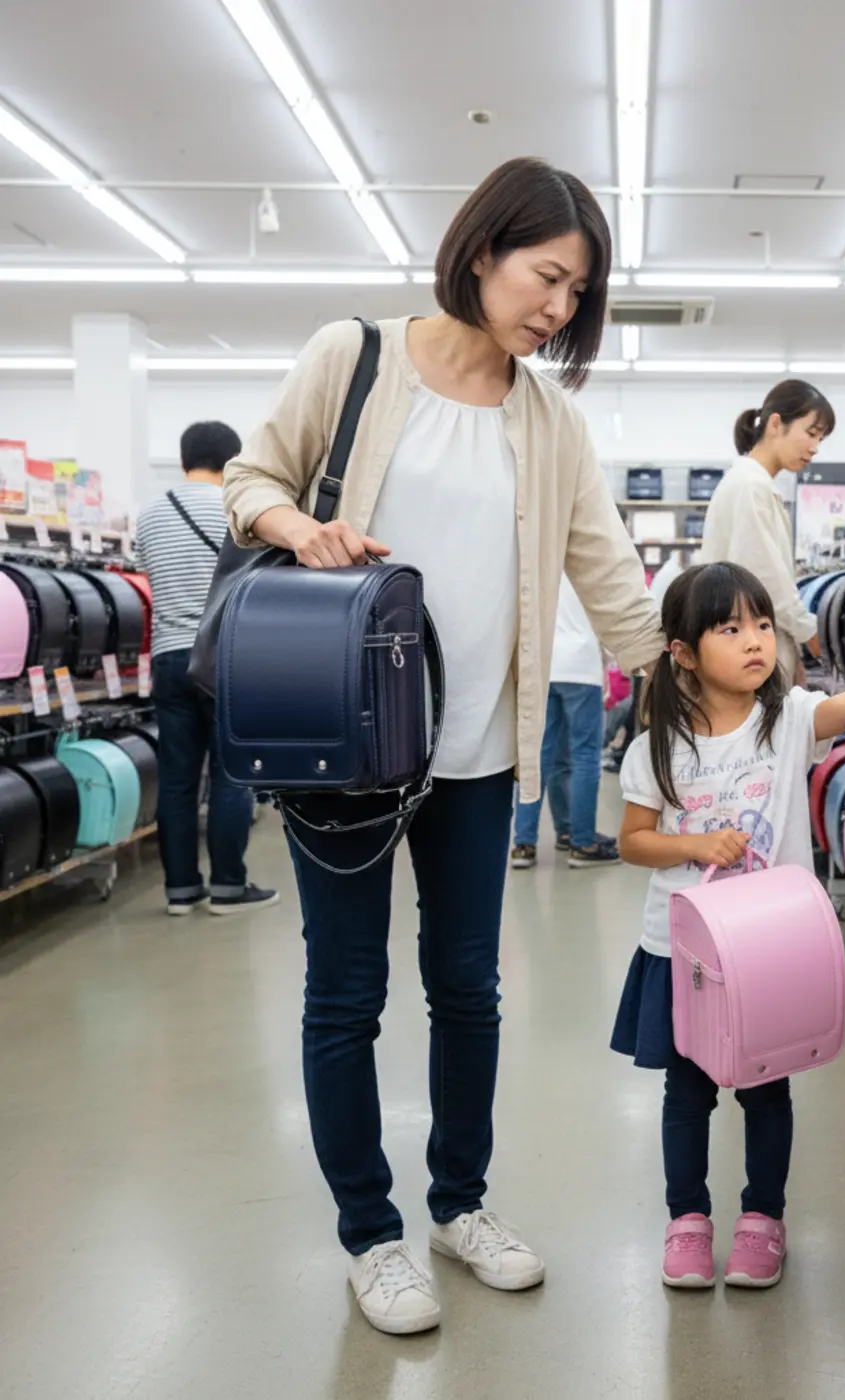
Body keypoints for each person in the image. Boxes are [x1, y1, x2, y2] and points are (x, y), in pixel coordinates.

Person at [221, 157, 664, 1336]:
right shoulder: (353, 356)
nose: (557, 308)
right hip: (347, 754)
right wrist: (298, 524)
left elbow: (611, 583)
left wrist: (722, 673)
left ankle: (458, 1203)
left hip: (473, 756)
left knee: (469, 989)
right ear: (482, 251)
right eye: (546, 276)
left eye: (577, 292)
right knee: (345, 993)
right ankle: (370, 1234)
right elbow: (249, 476)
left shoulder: (550, 419)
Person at [611, 562, 845, 1290]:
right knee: (687, 1092)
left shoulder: (788, 720)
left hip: (770, 952)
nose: (755, 642)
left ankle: (763, 1220)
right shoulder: (657, 748)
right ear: (683, 653)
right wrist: (696, 846)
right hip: (686, 955)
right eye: (730, 628)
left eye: (762, 624)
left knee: (768, 1090)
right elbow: (633, 841)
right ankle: (687, 1220)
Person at [134, 422, 278, 917]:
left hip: (168, 657)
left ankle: (180, 891)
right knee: (230, 776)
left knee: (176, 780)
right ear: (234, 461)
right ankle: (228, 888)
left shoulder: (149, 515)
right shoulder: (238, 509)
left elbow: (148, 579)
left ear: (183, 460)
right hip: (224, 657)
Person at [700, 380, 835, 683]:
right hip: (747, 657)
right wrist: (811, 635)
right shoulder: (751, 487)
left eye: (821, 439)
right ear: (776, 423)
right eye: (811, 433)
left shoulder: (753, 485)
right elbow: (764, 581)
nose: (814, 448)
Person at [511, 576, 618, 869]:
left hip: (544, 666)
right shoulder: (587, 562)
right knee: (585, 756)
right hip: (581, 667)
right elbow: (607, 619)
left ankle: (526, 842)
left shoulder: (541, 558)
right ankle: (583, 843)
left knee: (542, 757)